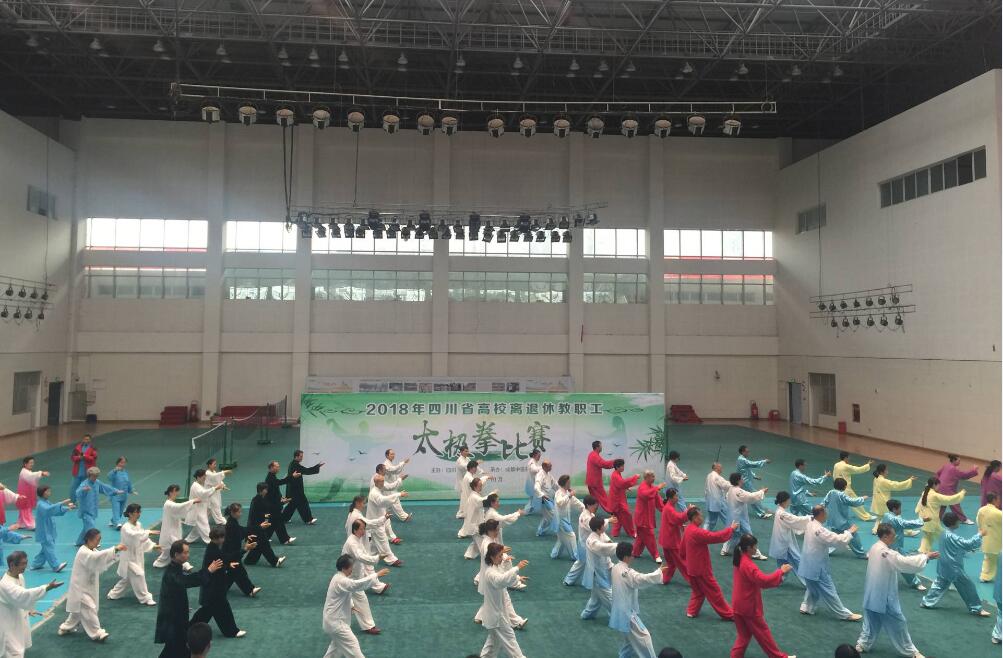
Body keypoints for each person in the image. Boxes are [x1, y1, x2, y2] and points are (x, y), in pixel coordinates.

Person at [855, 522, 936, 658]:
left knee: (871, 621)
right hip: (884, 596)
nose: (895, 537)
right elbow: (904, 562)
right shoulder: (886, 552)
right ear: (885, 536)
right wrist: (925, 557)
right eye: (893, 535)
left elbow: (899, 559)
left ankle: (862, 644)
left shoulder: (874, 547)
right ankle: (911, 651)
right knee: (899, 623)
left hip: (872, 593)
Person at [731, 534, 795, 658]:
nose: (756, 549)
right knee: (764, 634)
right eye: (755, 547)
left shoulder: (739, 559)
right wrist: (780, 571)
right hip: (748, 607)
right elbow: (763, 581)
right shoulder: (748, 565)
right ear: (748, 548)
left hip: (738, 605)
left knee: (743, 636)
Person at [155, 540, 223, 658]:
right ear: (176, 554)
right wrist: (208, 571)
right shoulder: (172, 573)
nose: (188, 555)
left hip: (175, 618)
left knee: (175, 648)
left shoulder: (174, 569)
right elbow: (187, 581)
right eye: (185, 552)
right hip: (173, 621)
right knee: (176, 647)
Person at [57, 528, 125, 642]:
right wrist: (115, 549)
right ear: (89, 539)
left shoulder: (93, 551)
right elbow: (96, 558)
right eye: (97, 539)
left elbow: (100, 560)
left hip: (88, 587)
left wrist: (115, 553)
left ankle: (65, 627)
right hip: (80, 588)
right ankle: (97, 632)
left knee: (77, 612)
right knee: (89, 608)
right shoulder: (83, 552)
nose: (99, 542)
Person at [797, 505, 862, 621]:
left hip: (807, 562)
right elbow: (837, 540)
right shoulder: (819, 530)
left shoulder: (810, 523)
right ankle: (844, 614)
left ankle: (806, 606)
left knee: (812, 586)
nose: (827, 515)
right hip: (816, 565)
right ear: (821, 514)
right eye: (826, 513)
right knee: (829, 590)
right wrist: (849, 532)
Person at [921, 511, 991, 615]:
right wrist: (980, 535)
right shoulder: (952, 536)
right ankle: (976, 608)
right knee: (968, 586)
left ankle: (927, 602)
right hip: (954, 567)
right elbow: (967, 544)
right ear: (954, 522)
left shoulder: (943, 533)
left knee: (940, 584)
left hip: (943, 564)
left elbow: (954, 547)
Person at [322, 554, 390, 658]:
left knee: (335, 649)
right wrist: (376, 575)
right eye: (350, 567)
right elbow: (357, 585)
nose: (352, 569)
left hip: (331, 622)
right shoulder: (342, 581)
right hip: (337, 624)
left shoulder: (337, 578)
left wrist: (351, 605)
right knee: (353, 647)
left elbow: (343, 595)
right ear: (344, 568)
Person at [0, 550, 62, 658]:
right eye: (23, 564)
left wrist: (28, 610)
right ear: (12, 565)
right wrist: (47, 587)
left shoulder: (19, 576)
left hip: (16, 619)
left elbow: (19, 599)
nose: (25, 566)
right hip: (7, 624)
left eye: (26, 563)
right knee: (13, 651)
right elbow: (23, 595)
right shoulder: (5, 584)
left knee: (17, 648)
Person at [610, 541, 667, 658]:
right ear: (626, 557)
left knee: (631, 639)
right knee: (645, 636)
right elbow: (642, 579)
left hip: (620, 609)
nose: (633, 556)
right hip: (627, 613)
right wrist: (658, 572)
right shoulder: (627, 573)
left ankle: (623, 656)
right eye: (631, 554)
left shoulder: (615, 568)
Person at [190, 526, 247, 639]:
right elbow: (227, 557)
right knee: (223, 610)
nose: (222, 539)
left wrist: (227, 565)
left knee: (206, 612)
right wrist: (243, 550)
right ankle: (231, 631)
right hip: (215, 588)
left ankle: (189, 628)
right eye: (220, 537)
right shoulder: (214, 551)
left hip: (212, 588)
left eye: (222, 537)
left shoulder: (213, 548)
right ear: (216, 538)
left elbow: (222, 561)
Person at [682, 508, 736, 620]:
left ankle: (691, 611)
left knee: (698, 591)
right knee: (714, 592)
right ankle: (729, 614)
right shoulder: (697, 532)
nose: (702, 518)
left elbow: (682, 549)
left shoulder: (688, 529)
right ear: (695, 518)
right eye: (700, 516)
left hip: (691, 568)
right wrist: (730, 529)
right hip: (701, 568)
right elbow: (715, 537)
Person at [478, 543, 529, 658]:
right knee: (510, 638)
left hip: (494, 614)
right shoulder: (490, 572)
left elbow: (503, 576)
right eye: (500, 555)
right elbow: (501, 580)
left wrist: (517, 577)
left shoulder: (494, 568)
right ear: (492, 557)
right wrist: (517, 568)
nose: (502, 558)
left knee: (493, 642)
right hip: (496, 616)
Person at [473, 520, 527, 624]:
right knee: (505, 600)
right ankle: (517, 622)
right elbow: (493, 559)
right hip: (493, 576)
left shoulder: (488, 541)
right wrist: (503, 555)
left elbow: (495, 557)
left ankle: (479, 616)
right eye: (496, 530)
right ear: (489, 531)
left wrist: (504, 556)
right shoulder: (488, 544)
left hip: (490, 576)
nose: (497, 532)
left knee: (491, 600)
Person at [107, 502, 159, 605]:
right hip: (128, 557)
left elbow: (142, 539)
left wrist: (153, 546)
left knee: (127, 579)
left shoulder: (139, 524)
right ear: (130, 514)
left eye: (139, 512)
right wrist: (148, 532)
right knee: (139, 574)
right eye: (137, 512)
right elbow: (134, 536)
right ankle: (146, 598)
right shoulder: (126, 527)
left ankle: (113, 594)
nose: (139, 514)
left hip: (138, 556)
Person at [881, 499, 929, 591]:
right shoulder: (895, 519)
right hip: (895, 547)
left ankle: (883, 581)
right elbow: (907, 524)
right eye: (899, 508)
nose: (901, 510)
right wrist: (922, 520)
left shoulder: (886, 515)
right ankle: (915, 582)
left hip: (887, 545)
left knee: (886, 565)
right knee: (905, 564)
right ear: (894, 509)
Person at [343, 517, 389, 605]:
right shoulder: (352, 543)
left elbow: (363, 554)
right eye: (361, 529)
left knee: (356, 596)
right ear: (355, 530)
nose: (363, 531)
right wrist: (377, 558)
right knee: (352, 596)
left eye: (364, 528)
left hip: (354, 571)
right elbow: (360, 556)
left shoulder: (357, 539)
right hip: (351, 573)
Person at [74, 467, 123, 546]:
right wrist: (83, 490)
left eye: (96, 476)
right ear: (89, 475)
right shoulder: (84, 484)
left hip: (93, 510)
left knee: (86, 528)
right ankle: (93, 542)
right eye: (94, 476)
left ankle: (79, 542)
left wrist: (115, 491)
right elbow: (77, 493)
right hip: (85, 511)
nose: (95, 478)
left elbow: (105, 487)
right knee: (91, 527)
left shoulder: (97, 482)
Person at [723, 473, 768, 558]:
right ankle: (756, 554)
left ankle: (725, 550)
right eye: (741, 478)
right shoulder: (738, 491)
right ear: (738, 480)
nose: (743, 479)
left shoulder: (731, 489)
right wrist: (762, 492)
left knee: (733, 535)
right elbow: (750, 497)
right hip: (739, 518)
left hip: (733, 516)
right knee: (749, 535)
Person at [915, 477, 965, 552]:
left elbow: (918, 506)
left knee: (928, 537)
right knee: (943, 535)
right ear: (934, 485)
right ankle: (956, 547)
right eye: (938, 485)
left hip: (924, 520)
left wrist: (917, 512)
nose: (939, 487)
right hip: (931, 521)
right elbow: (949, 499)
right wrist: (961, 494)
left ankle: (923, 550)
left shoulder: (924, 493)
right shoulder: (934, 495)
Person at [769, 492, 809, 586]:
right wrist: (809, 518)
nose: (790, 501)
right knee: (797, 561)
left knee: (783, 564)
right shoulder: (782, 514)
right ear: (784, 501)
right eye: (789, 500)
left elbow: (792, 521)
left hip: (781, 542)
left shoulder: (780, 511)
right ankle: (808, 583)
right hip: (785, 543)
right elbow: (795, 520)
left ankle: (777, 580)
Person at [581, 516, 617, 620]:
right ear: (598, 528)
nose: (605, 526)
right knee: (610, 597)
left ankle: (586, 614)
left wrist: (608, 520)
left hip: (604, 569)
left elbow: (607, 542)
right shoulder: (593, 541)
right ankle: (620, 617)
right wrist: (619, 546)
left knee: (595, 599)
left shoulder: (600, 533)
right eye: (603, 525)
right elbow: (603, 547)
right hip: (597, 574)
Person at [222, 502, 262, 597]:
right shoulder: (231, 525)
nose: (241, 514)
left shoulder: (233, 522)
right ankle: (250, 590)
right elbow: (238, 534)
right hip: (231, 553)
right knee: (239, 572)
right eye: (239, 512)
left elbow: (241, 531)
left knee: (233, 573)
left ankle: (221, 587)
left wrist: (248, 533)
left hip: (232, 551)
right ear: (233, 512)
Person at [153, 485, 197, 569]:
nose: (178, 493)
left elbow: (178, 510)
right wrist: (192, 501)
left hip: (173, 531)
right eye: (176, 491)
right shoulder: (168, 504)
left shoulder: (171, 503)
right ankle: (184, 564)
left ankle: (177, 563)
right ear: (171, 492)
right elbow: (179, 507)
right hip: (170, 533)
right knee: (177, 548)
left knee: (170, 551)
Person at [822, 478, 868, 558]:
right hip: (842, 522)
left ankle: (827, 551)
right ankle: (861, 554)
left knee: (834, 537)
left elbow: (823, 503)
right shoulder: (841, 495)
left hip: (832, 521)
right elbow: (852, 501)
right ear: (844, 486)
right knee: (853, 535)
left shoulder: (830, 492)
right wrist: (862, 498)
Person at [31, 485, 73, 572]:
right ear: (43, 493)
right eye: (47, 491)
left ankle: (36, 564)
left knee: (45, 549)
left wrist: (67, 508)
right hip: (44, 530)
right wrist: (60, 503)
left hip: (48, 529)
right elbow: (49, 510)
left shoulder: (46, 502)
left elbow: (54, 511)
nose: (49, 493)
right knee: (49, 547)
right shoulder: (40, 504)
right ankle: (56, 566)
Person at [245, 482, 286, 568]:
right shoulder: (257, 500)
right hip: (257, 527)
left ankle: (249, 560)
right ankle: (275, 561)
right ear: (261, 490)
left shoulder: (261, 499)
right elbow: (255, 515)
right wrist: (265, 516)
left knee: (259, 545)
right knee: (265, 544)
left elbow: (268, 508)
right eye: (265, 489)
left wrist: (281, 503)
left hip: (260, 526)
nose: (267, 491)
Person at [367, 474, 405, 566]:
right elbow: (383, 500)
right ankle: (392, 560)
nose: (383, 483)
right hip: (376, 522)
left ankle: (368, 556)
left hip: (379, 519)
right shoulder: (375, 493)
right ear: (376, 482)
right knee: (383, 540)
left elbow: (383, 502)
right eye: (382, 481)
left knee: (374, 543)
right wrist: (398, 494)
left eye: (383, 481)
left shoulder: (377, 490)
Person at [564, 494, 600, 587]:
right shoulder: (586, 517)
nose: (597, 506)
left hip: (588, 544)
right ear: (588, 505)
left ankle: (596, 580)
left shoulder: (590, 514)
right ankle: (568, 580)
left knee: (592, 562)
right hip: (584, 545)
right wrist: (608, 520)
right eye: (595, 505)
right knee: (581, 562)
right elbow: (595, 528)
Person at [870, 465, 916, 534]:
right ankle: (908, 532)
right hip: (884, 502)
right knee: (895, 518)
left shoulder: (876, 479)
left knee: (879, 517)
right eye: (886, 470)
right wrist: (909, 480)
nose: (887, 472)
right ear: (882, 472)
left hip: (877, 501)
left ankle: (875, 530)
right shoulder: (883, 481)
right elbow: (896, 485)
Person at [281, 450, 323, 525]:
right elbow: (306, 471)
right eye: (301, 456)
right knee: (303, 504)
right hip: (296, 490)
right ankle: (308, 519)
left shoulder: (293, 463)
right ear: (296, 456)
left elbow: (305, 470)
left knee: (292, 505)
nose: (302, 458)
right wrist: (317, 466)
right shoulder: (296, 465)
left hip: (293, 489)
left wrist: (317, 466)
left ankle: (283, 518)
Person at [935, 454, 979, 524]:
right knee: (954, 502)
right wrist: (974, 470)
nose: (959, 462)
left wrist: (937, 484)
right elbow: (964, 475)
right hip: (947, 488)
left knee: (942, 503)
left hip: (940, 487)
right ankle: (963, 519)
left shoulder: (946, 466)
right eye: (958, 460)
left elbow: (938, 473)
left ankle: (936, 518)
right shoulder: (954, 469)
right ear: (954, 460)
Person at [658, 489, 690, 585]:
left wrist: (680, 525)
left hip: (666, 540)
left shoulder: (668, 507)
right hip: (671, 541)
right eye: (676, 496)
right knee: (682, 562)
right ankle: (693, 581)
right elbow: (678, 518)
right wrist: (688, 511)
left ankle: (664, 579)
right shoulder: (669, 509)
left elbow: (673, 520)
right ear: (670, 498)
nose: (677, 497)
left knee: (671, 563)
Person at [632, 470, 665, 562]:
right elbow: (646, 495)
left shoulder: (652, 488)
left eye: (654, 476)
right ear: (646, 477)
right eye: (652, 476)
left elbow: (658, 502)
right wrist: (657, 488)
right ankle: (656, 555)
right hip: (642, 518)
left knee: (641, 537)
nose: (654, 478)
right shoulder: (642, 487)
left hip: (647, 517)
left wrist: (666, 511)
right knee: (650, 536)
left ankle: (635, 552)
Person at [185, 469, 224, 544]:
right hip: (197, 511)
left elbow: (206, 493)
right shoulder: (195, 486)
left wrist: (216, 488)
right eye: (203, 477)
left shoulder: (199, 485)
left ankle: (188, 540)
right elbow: (203, 494)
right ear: (198, 477)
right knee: (204, 526)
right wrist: (215, 488)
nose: (205, 479)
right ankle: (211, 542)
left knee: (197, 529)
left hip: (201, 510)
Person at [264, 460, 298, 545]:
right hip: (273, 506)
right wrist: (292, 476)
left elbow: (275, 491)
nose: (278, 467)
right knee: (279, 522)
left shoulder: (272, 477)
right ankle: (285, 539)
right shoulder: (270, 478)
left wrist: (281, 498)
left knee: (273, 523)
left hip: (273, 505)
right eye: (277, 466)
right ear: (272, 467)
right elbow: (280, 482)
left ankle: (264, 538)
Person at [833, 453, 875, 521]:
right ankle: (866, 517)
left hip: (837, 488)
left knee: (840, 504)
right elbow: (858, 469)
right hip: (846, 489)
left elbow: (834, 476)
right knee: (856, 502)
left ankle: (838, 517)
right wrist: (868, 465)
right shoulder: (846, 466)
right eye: (849, 457)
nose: (849, 459)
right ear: (845, 458)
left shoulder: (836, 465)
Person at [552, 475, 584, 560]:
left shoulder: (567, 493)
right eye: (568, 482)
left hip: (565, 520)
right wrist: (569, 495)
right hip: (560, 520)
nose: (570, 484)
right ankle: (575, 556)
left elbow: (576, 502)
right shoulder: (559, 493)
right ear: (564, 483)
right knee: (572, 536)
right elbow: (559, 502)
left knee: (562, 539)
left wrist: (585, 509)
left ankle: (554, 554)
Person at [737, 445, 772, 518]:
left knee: (743, 496)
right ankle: (761, 513)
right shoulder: (742, 460)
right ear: (743, 452)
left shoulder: (741, 459)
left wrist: (754, 476)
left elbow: (746, 470)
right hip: (746, 482)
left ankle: (735, 508)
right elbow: (752, 464)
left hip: (744, 481)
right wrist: (764, 461)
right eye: (747, 452)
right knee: (754, 497)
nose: (748, 453)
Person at [609, 459, 640, 538]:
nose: (623, 467)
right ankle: (632, 533)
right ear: (617, 467)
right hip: (618, 500)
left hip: (616, 498)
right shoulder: (616, 475)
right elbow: (622, 483)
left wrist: (625, 487)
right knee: (627, 516)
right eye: (622, 466)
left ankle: (615, 532)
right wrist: (635, 477)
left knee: (618, 516)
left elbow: (620, 484)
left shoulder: (616, 474)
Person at [15, 457, 48, 529]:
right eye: (30, 463)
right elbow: (31, 476)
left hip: (27, 493)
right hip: (24, 494)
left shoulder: (27, 471)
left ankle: (21, 523)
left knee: (26, 508)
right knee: (25, 508)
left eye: (33, 463)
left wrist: (40, 474)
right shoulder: (24, 472)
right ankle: (30, 524)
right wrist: (41, 473)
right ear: (25, 464)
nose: (32, 464)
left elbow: (32, 476)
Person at [381, 449, 411, 525]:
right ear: (387, 455)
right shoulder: (386, 464)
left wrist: (400, 477)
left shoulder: (390, 463)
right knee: (395, 501)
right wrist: (403, 462)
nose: (393, 455)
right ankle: (404, 517)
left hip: (390, 486)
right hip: (387, 487)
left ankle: (384, 515)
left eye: (394, 454)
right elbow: (393, 470)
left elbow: (396, 471)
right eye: (391, 454)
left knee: (388, 503)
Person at [977, 491, 1002, 582]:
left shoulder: (981, 510)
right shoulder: (998, 513)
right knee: (994, 559)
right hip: (996, 542)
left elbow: (978, 523)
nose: (999, 501)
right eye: (998, 499)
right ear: (994, 500)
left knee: (988, 559)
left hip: (985, 540)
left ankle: (984, 576)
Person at [586, 440, 616, 512]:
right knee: (603, 498)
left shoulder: (592, 454)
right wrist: (615, 462)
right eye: (601, 445)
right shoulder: (594, 456)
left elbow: (603, 464)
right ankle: (611, 511)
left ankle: (590, 512)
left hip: (592, 482)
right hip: (595, 483)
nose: (602, 447)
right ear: (597, 447)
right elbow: (604, 464)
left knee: (594, 499)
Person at [106, 456, 135, 529]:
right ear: (118, 463)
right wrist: (114, 470)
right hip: (115, 495)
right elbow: (109, 477)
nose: (123, 464)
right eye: (121, 462)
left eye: (124, 462)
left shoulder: (125, 472)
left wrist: (131, 490)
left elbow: (128, 482)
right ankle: (118, 524)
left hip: (124, 496)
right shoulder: (114, 472)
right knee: (116, 510)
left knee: (120, 512)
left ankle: (112, 520)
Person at [69, 434, 97, 505]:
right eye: (85, 439)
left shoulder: (93, 448)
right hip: (77, 472)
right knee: (73, 487)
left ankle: (86, 502)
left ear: (90, 440)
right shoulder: (77, 448)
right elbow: (72, 457)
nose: (86, 440)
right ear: (83, 440)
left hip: (87, 473)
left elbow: (94, 458)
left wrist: (85, 456)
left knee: (86, 488)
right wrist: (79, 457)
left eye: (88, 439)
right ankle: (73, 502)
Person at [459, 460, 490, 524]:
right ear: (471, 468)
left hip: (469, 499)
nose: (476, 469)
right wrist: (486, 477)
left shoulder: (468, 475)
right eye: (475, 467)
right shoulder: (469, 478)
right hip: (470, 500)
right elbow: (477, 483)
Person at [533, 459, 558, 537]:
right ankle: (560, 532)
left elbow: (555, 484)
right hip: (544, 499)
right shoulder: (540, 475)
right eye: (549, 466)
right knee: (554, 515)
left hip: (549, 498)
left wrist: (563, 489)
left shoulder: (548, 474)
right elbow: (536, 487)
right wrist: (542, 495)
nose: (551, 467)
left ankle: (540, 531)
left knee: (547, 517)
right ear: (544, 466)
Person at [704, 462, 731, 530]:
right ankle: (732, 531)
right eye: (720, 467)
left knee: (710, 520)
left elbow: (706, 489)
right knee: (727, 517)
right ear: (716, 468)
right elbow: (725, 485)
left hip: (710, 502)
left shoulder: (709, 475)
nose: (722, 468)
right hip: (718, 502)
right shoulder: (717, 477)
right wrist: (734, 483)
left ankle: (704, 532)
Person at [204, 458, 232, 525]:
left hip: (214, 494)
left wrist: (223, 486)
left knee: (208, 510)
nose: (215, 465)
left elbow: (217, 480)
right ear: (209, 465)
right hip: (211, 494)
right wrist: (224, 472)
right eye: (214, 464)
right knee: (216, 509)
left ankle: (202, 521)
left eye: (215, 464)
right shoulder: (207, 473)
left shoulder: (213, 472)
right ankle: (223, 522)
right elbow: (214, 477)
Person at [522, 449, 543, 515]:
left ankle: (528, 510)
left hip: (533, 483)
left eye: (540, 456)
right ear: (534, 455)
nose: (539, 457)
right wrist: (542, 467)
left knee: (534, 499)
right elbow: (534, 469)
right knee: (533, 499)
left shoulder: (534, 462)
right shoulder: (532, 462)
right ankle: (526, 511)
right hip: (531, 484)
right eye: (538, 456)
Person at [455, 445, 472, 519]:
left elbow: (473, 466)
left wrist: (482, 472)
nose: (467, 452)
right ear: (461, 452)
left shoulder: (467, 459)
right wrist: (475, 463)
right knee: (464, 497)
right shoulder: (459, 460)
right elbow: (464, 466)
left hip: (467, 481)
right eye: (466, 451)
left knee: (468, 497)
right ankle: (460, 513)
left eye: (467, 451)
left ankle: (468, 512)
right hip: (461, 481)